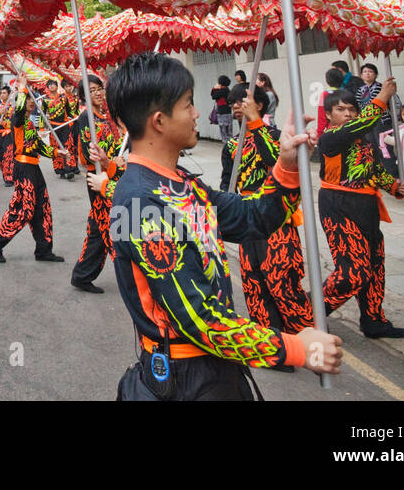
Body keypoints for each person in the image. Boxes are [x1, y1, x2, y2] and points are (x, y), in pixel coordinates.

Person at [108, 52, 342, 400]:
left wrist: (287, 161)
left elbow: (253, 217)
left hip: (216, 369)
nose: (197, 113)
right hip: (187, 379)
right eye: (188, 105)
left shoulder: (180, 184)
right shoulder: (142, 204)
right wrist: (296, 349)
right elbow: (200, 320)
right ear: (159, 121)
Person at [317, 81, 404, 339]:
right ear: (328, 114)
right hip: (339, 205)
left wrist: (394, 186)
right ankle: (307, 312)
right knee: (353, 272)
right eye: (340, 109)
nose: (347, 113)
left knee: (374, 266)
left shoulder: (364, 138)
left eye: (352, 109)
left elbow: (374, 169)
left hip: (367, 205)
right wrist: (381, 97)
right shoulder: (330, 137)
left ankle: (373, 319)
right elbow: (360, 125)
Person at [221, 86, 313, 341]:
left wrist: (256, 124)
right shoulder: (231, 145)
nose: (236, 107)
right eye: (233, 104)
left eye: (242, 101)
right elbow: (227, 181)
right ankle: (269, 341)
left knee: (282, 281)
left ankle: (305, 339)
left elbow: (277, 161)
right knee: (253, 282)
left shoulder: (275, 135)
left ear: (258, 105)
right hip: (244, 216)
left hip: (274, 216)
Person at [0, 79, 68, 263]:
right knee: (25, 209)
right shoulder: (18, 118)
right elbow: (21, 108)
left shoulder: (30, 124)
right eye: (28, 98)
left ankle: (44, 250)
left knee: (43, 208)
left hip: (34, 168)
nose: (32, 102)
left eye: (34, 98)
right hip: (23, 169)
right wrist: (22, 88)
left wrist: (57, 153)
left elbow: (38, 146)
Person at [72, 75, 125, 293]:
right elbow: (89, 153)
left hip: (112, 174)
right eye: (92, 90)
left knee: (99, 227)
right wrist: (112, 161)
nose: (98, 93)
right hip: (98, 178)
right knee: (114, 226)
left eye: (99, 89)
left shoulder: (104, 117)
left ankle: (82, 275)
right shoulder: (87, 118)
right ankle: (132, 275)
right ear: (84, 96)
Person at [44, 78, 77, 180]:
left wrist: (74, 118)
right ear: (48, 88)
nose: (51, 86)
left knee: (68, 146)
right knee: (56, 148)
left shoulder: (63, 98)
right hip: (53, 127)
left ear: (57, 86)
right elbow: (42, 115)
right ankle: (61, 170)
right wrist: (41, 128)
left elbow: (69, 111)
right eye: (49, 85)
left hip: (64, 125)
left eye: (53, 84)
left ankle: (69, 168)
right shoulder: (45, 100)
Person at [211, 75, 232, 143]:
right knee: (228, 132)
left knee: (224, 133)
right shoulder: (227, 90)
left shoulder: (223, 90)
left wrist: (214, 88)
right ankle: (230, 146)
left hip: (223, 113)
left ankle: (228, 147)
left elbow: (213, 96)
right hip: (227, 112)